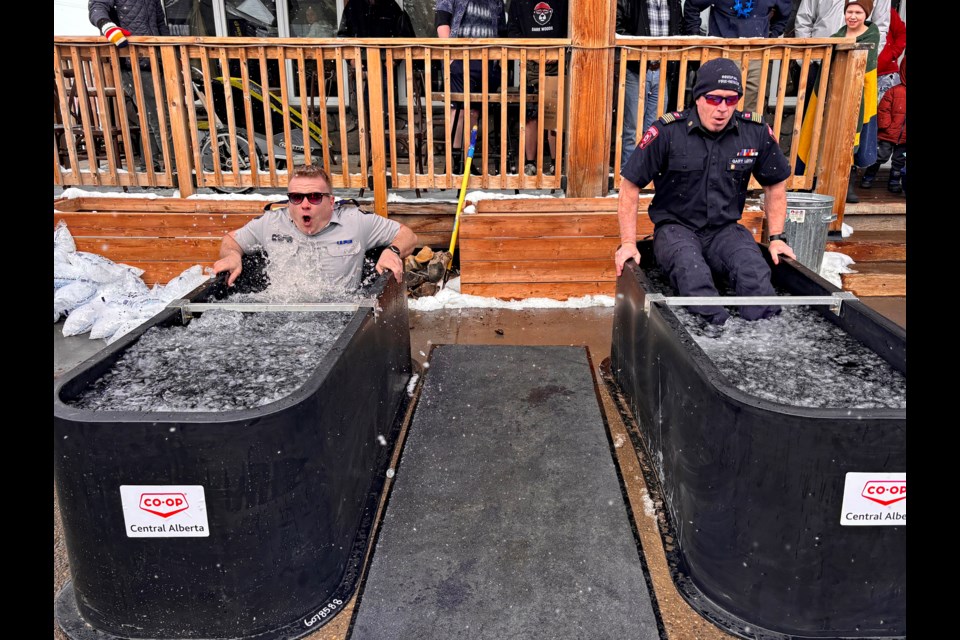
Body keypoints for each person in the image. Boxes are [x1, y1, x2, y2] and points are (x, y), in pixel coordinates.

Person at [614, 58, 797, 326]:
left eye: (731, 100)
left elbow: (775, 183)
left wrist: (777, 237)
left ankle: (762, 340)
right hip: (676, 228)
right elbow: (630, 186)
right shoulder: (667, 132)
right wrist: (629, 243)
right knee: (692, 273)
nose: (722, 108)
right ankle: (712, 338)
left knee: (754, 270)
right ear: (698, 97)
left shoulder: (754, 132)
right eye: (713, 99)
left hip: (724, 229)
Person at [213, 164, 418, 291]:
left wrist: (392, 251)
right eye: (296, 197)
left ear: (331, 202)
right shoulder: (271, 223)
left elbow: (407, 235)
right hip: (282, 317)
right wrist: (232, 256)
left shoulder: (356, 221)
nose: (304, 204)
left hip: (342, 318)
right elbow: (231, 240)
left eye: (314, 197)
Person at [89, 0, 170, 172]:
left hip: (155, 60)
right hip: (130, 62)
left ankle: (150, 168)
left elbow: (160, 23)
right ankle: (176, 169)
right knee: (159, 117)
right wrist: (108, 27)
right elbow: (97, 8)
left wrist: (169, 51)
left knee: (152, 118)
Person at [436, 0, 507, 175]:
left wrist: (498, 59)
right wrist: (450, 54)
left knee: (474, 112)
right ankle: (455, 160)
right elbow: (442, 21)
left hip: (487, 62)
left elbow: (502, 29)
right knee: (459, 110)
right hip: (460, 59)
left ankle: (467, 160)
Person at [681, 0, 793, 112]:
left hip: (757, 55)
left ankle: (747, 129)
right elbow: (692, 6)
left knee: (751, 105)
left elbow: (784, 13)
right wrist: (696, 38)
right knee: (719, 104)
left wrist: (772, 36)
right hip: (722, 53)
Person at [616, 0, 682, 173]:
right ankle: (628, 175)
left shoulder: (674, 2)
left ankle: (647, 173)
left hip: (663, 70)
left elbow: (679, 27)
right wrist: (635, 51)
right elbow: (617, 26)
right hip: (636, 68)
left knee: (654, 128)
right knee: (632, 128)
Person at [337, 0, 417, 133]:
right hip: (361, 68)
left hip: (385, 69)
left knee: (385, 114)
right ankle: (370, 150)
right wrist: (352, 60)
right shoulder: (353, 6)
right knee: (364, 115)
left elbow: (405, 37)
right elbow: (343, 37)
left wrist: (393, 61)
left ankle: (385, 151)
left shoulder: (391, 6)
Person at [508, 0, 568, 176]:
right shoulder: (518, 3)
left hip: (558, 63)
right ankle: (530, 163)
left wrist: (557, 51)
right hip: (529, 66)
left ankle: (556, 164)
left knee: (554, 117)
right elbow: (513, 31)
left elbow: (571, 28)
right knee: (530, 116)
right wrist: (533, 53)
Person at [861, 55, 904, 193]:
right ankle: (868, 177)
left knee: (899, 160)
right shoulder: (894, 91)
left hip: (904, 138)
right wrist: (886, 125)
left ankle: (894, 181)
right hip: (888, 133)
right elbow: (883, 109)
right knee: (880, 156)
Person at [795, 0, 889, 51]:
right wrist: (805, 59)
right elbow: (804, 20)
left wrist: (867, 60)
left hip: (855, 62)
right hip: (817, 59)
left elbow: (880, 28)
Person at [876, 0, 904, 102]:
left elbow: (902, 33)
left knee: (886, 113)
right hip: (863, 73)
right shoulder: (853, 11)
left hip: (887, 74)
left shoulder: (887, 12)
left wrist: (892, 54)